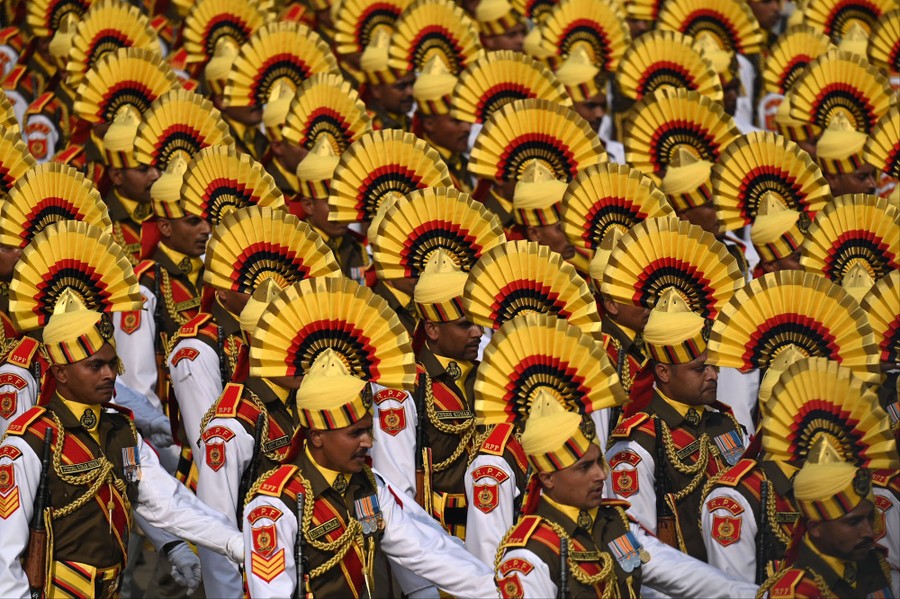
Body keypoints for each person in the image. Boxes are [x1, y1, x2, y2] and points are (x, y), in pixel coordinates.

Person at [0, 302, 244, 598]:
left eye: (112, 364)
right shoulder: (31, 440)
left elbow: (166, 501)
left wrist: (234, 543)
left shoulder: (120, 431)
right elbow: (5, 549)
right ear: (61, 373)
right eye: (95, 366)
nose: (109, 375)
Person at [242, 349, 497, 597]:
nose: (368, 441)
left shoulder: (367, 486)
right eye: (355, 433)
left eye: (367, 429)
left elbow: (423, 550)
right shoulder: (275, 506)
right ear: (317, 436)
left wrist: (501, 591)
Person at [494, 396, 760, 597]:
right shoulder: (530, 556)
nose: (601, 475)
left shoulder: (613, 523)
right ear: (547, 479)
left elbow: (682, 573)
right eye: (585, 468)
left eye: (599, 462)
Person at [606, 291, 747, 561]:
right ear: (663, 372)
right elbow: (642, 548)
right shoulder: (637, 444)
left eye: (714, 366)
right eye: (699, 368)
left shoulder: (722, 422)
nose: (712, 375)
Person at [758, 460, 898, 598]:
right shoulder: (800, 592)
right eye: (853, 522)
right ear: (815, 528)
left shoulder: (873, 563)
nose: (868, 531)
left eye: (870, 518)